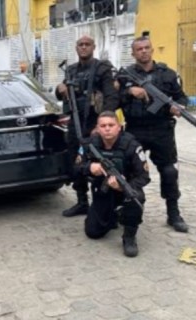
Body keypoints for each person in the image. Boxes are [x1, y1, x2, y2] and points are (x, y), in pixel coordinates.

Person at [118, 36, 189, 233]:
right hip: (135, 129)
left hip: (161, 129)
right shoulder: (125, 76)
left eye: (147, 48)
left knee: (169, 171)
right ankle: (124, 210)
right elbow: (114, 99)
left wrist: (179, 106)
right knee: (126, 171)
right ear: (133, 53)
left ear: (152, 50)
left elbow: (182, 96)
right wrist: (129, 92)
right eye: (139, 49)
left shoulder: (168, 74)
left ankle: (173, 213)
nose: (143, 51)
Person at [55, 35, 119, 218]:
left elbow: (111, 97)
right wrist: (59, 88)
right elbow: (61, 94)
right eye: (80, 45)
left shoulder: (102, 68)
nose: (83, 48)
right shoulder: (71, 70)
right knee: (76, 162)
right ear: (76, 48)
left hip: (95, 124)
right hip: (76, 124)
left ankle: (103, 203)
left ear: (93, 47)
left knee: (100, 162)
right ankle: (82, 202)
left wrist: (102, 125)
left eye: (87, 45)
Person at [81, 111, 150, 257]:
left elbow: (144, 176)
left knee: (136, 198)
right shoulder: (90, 144)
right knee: (92, 232)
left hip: (126, 188)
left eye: (111, 125)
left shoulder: (132, 145)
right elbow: (74, 169)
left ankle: (129, 237)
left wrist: (123, 186)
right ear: (98, 128)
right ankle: (113, 215)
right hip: (103, 189)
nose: (107, 128)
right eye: (103, 125)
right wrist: (90, 168)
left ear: (119, 127)